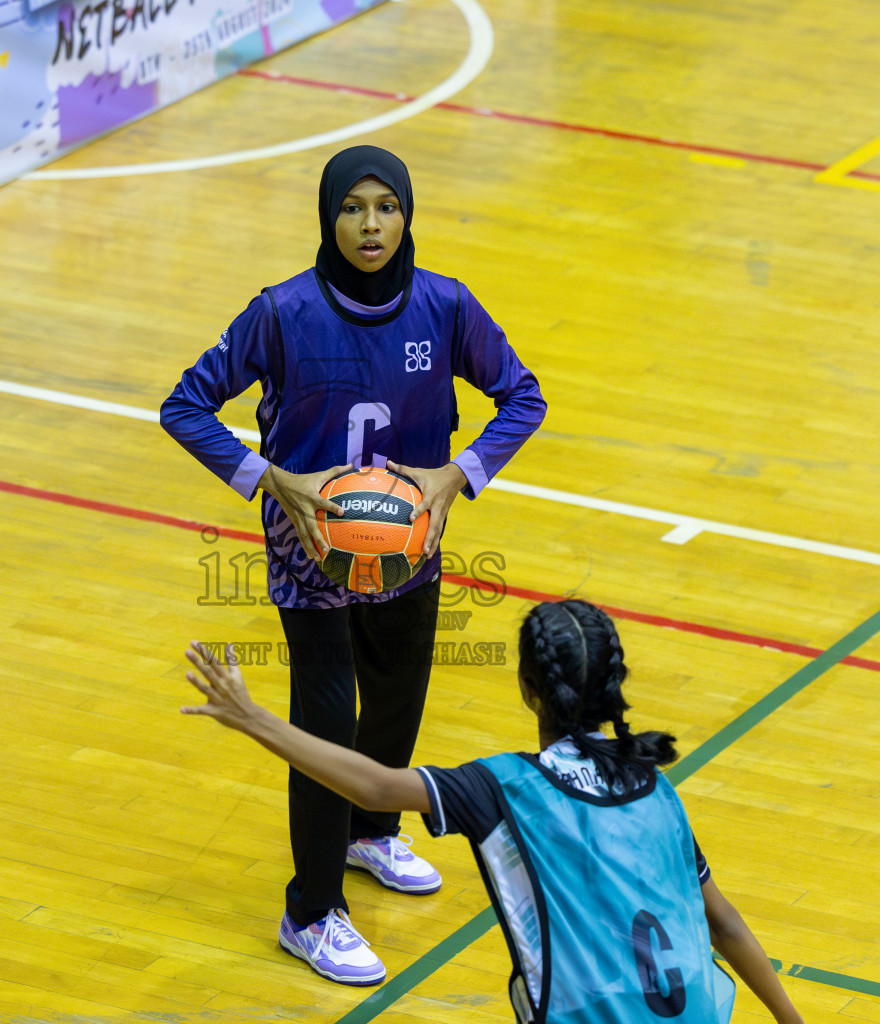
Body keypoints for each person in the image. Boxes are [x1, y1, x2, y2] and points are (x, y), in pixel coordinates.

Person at [160, 145, 546, 985]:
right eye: (352, 209)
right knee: (326, 719)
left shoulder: (445, 306)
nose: (371, 225)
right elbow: (183, 406)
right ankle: (311, 912)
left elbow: (524, 396)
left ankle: (373, 833)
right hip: (311, 555)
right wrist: (271, 480)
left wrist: (456, 475)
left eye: (386, 208)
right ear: (328, 217)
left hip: (409, 544)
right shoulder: (282, 312)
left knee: (400, 696)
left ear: (407, 215)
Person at [181, 599, 807, 1024]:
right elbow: (723, 923)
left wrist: (251, 717)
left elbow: (373, 789)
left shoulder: (507, 787)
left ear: (527, 691)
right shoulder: (654, 788)